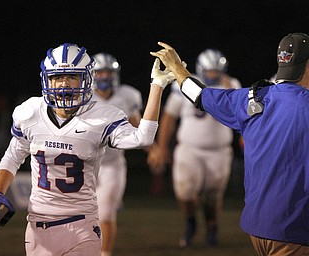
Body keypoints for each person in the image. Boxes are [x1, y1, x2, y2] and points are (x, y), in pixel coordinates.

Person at [0, 43, 174, 256]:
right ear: (46, 79)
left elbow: (143, 137)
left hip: (82, 225)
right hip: (37, 225)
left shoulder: (102, 116)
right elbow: (12, 156)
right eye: (57, 77)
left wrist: (157, 86)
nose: (64, 84)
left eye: (72, 77)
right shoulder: (29, 113)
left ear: (86, 79)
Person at [150, 33, 309, 255]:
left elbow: (199, 95)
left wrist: (176, 67)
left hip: (258, 227)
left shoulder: (252, 98)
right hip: (293, 229)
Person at [148, 49, 241, 248]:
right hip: (189, 149)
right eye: (210, 70)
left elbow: (238, 114)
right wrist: (162, 147)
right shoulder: (187, 84)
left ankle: (212, 227)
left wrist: (230, 91)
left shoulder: (230, 85)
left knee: (213, 195)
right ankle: (191, 223)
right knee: (186, 192)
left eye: (217, 71)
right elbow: (169, 117)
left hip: (219, 150)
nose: (213, 75)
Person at [91, 52, 142, 256]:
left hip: (112, 163)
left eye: (108, 72)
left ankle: (104, 253)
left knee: (105, 211)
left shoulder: (128, 96)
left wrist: (153, 149)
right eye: (100, 72)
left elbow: (137, 126)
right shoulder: (82, 97)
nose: (104, 76)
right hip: (85, 163)